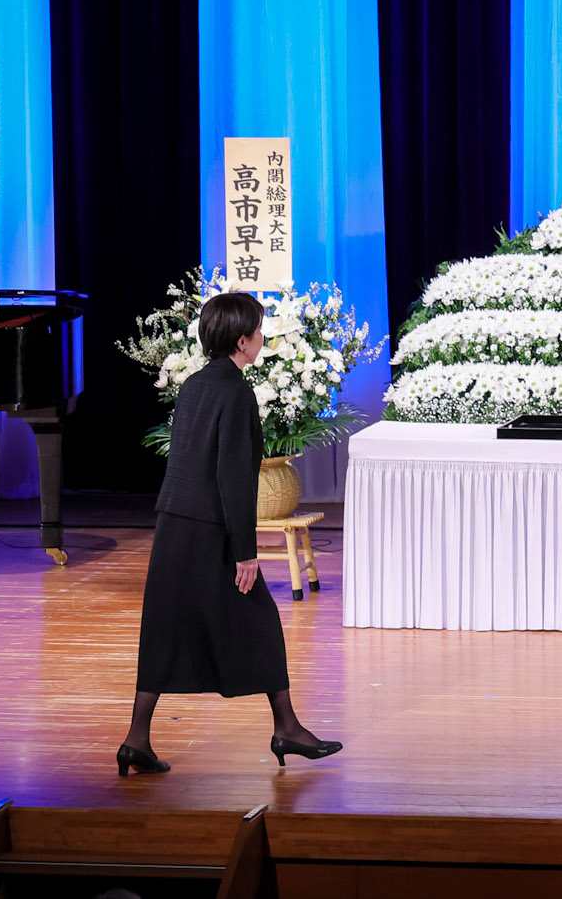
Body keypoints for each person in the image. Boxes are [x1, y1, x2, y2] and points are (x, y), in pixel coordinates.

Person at [118, 290, 341, 774]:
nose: (262, 337)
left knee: (164, 627)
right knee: (260, 620)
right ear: (243, 341)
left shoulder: (194, 384)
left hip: (174, 521)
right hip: (210, 530)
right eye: (258, 330)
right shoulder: (236, 392)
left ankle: (136, 739)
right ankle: (286, 729)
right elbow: (233, 476)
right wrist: (245, 552)